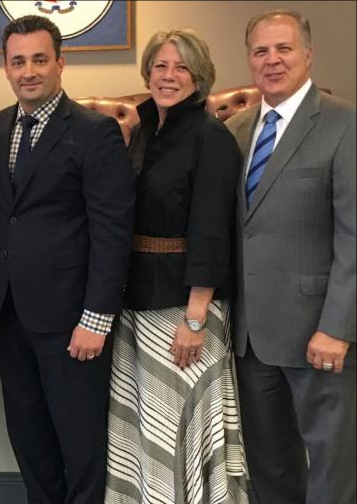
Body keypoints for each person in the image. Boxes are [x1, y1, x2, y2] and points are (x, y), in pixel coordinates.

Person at [0, 15, 135, 504]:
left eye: (40, 60)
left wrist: (97, 317)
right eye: (18, 61)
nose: (29, 71)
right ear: (6, 68)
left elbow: (112, 231)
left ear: (60, 63)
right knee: (29, 436)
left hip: (72, 318)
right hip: (9, 314)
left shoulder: (94, 131)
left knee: (80, 439)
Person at [104, 28, 248, 504]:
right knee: (148, 427)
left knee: (179, 425)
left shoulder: (211, 137)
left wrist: (195, 316)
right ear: (147, 72)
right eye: (160, 66)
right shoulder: (143, 129)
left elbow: (212, 230)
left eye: (181, 67)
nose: (169, 76)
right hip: (137, 302)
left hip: (185, 309)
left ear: (200, 76)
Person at [225, 10, 356, 504]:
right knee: (269, 464)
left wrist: (338, 327)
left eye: (284, 48)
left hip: (319, 335)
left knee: (331, 466)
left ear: (309, 55)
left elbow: (354, 235)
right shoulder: (236, 130)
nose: (272, 60)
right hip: (251, 337)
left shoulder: (345, 123)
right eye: (261, 51)